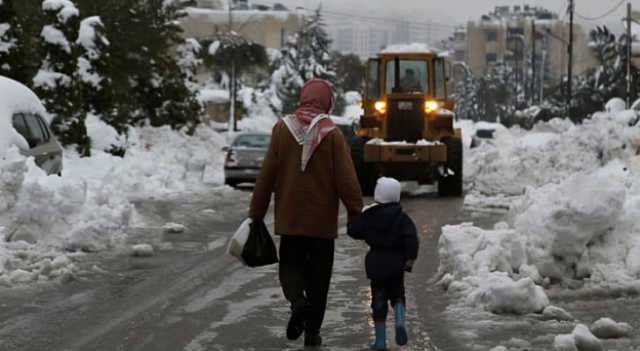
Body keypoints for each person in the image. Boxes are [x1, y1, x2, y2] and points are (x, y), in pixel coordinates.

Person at [249, 79, 363, 347]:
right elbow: (347, 180)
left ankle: (297, 302)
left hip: (290, 221)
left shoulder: (281, 130)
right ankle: (312, 332)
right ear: (326, 102)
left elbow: (266, 175)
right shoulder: (332, 134)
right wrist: (356, 213)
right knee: (319, 280)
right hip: (322, 226)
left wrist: (257, 212)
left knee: (290, 269)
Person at [347, 177, 419, 350]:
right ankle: (400, 320)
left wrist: (352, 221)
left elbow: (354, 231)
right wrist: (410, 259)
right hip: (396, 264)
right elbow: (411, 239)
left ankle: (380, 341)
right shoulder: (402, 218)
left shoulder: (369, 216)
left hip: (376, 264)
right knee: (397, 294)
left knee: (378, 301)